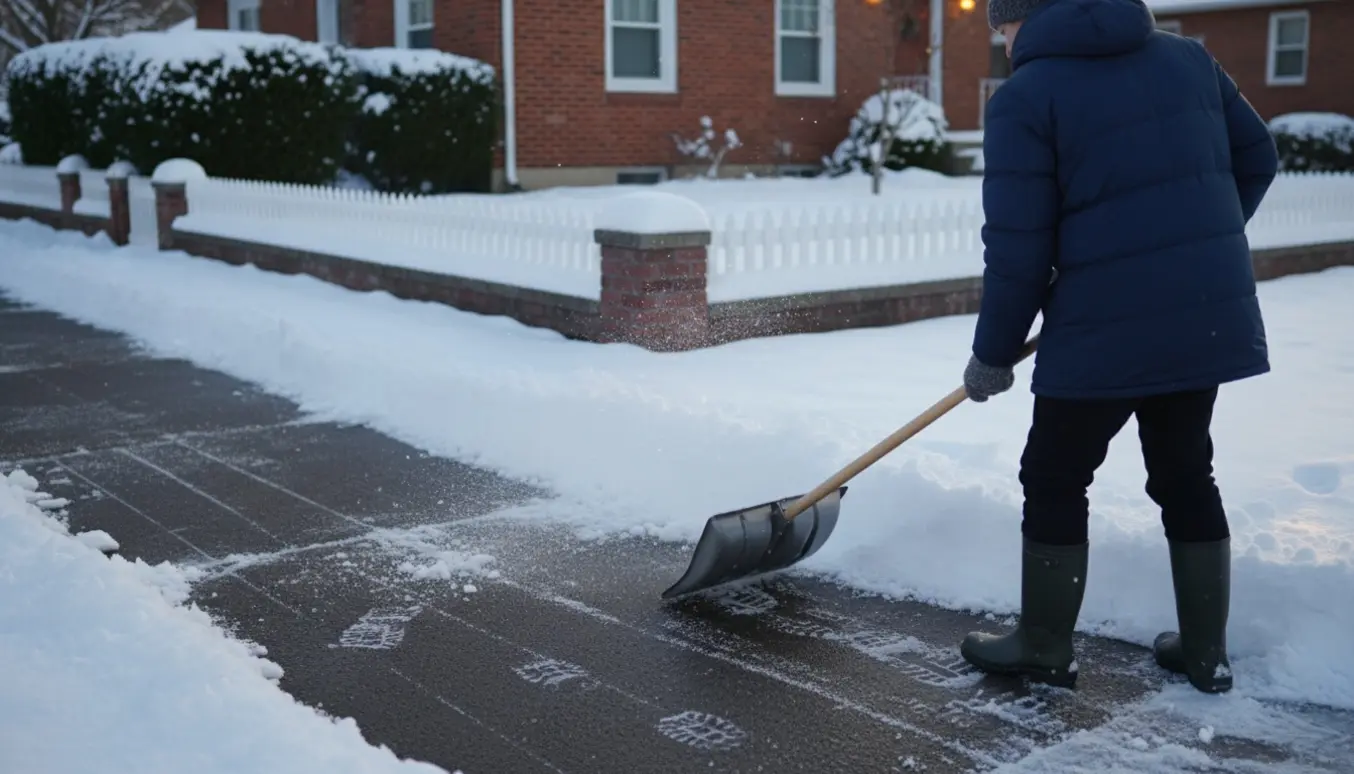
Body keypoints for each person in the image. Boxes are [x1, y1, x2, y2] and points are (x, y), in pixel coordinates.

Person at [957, 0, 1279, 694]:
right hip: (1200, 314)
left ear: (1027, 18)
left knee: (1054, 475)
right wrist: (1191, 249)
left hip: (1101, 327)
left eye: (1002, 26)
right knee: (1186, 471)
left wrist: (993, 353)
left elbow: (1018, 250)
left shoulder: (1026, 99)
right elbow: (1258, 157)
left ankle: (1044, 644)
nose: (1003, 42)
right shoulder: (1189, 60)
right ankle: (1206, 655)